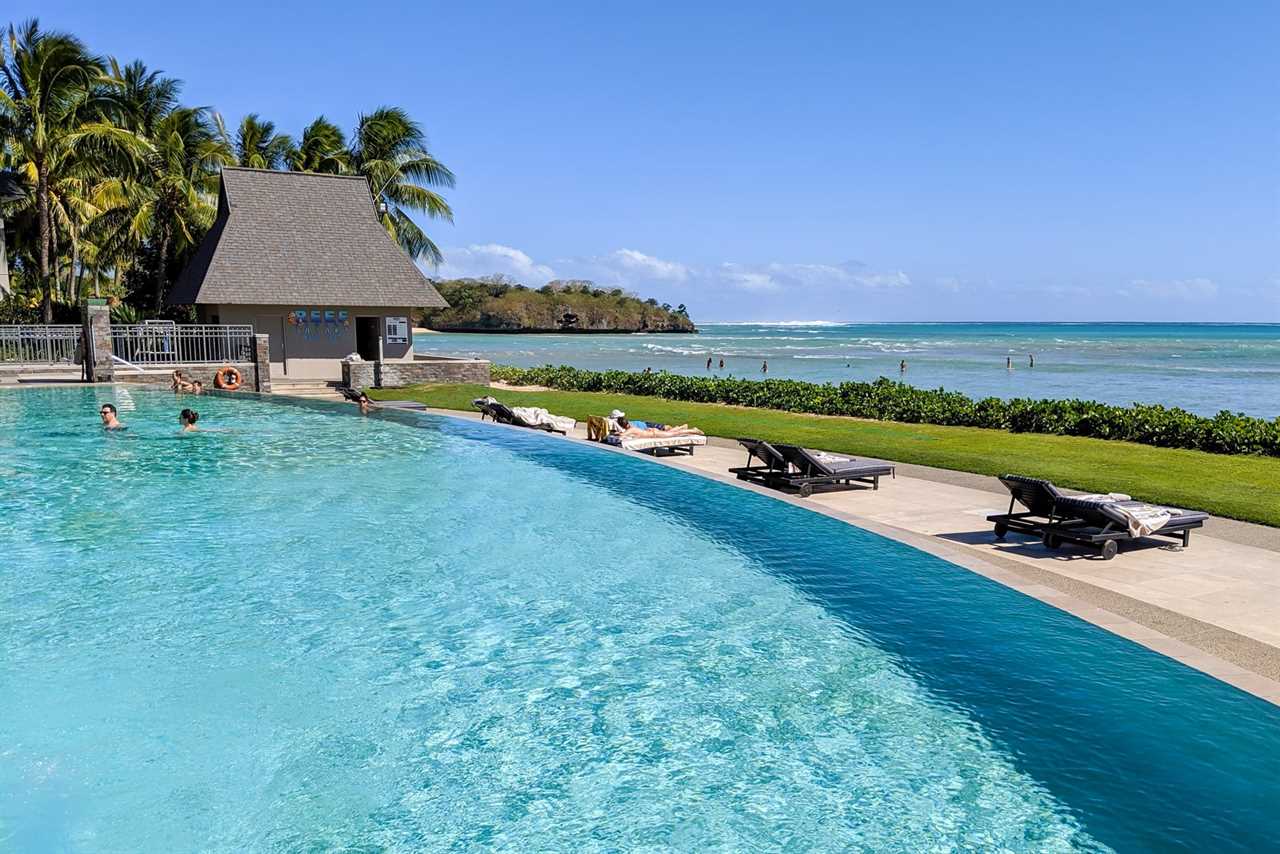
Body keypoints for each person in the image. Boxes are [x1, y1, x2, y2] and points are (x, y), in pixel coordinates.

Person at [615, 415, 704, 439]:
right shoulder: (631, 428)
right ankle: (682, 427)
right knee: (673, 432)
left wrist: (618, 433)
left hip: (655, 434)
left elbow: (622, 436)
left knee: (676, 434)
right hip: (653, 432)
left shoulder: (631, 429)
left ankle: (694, 430)